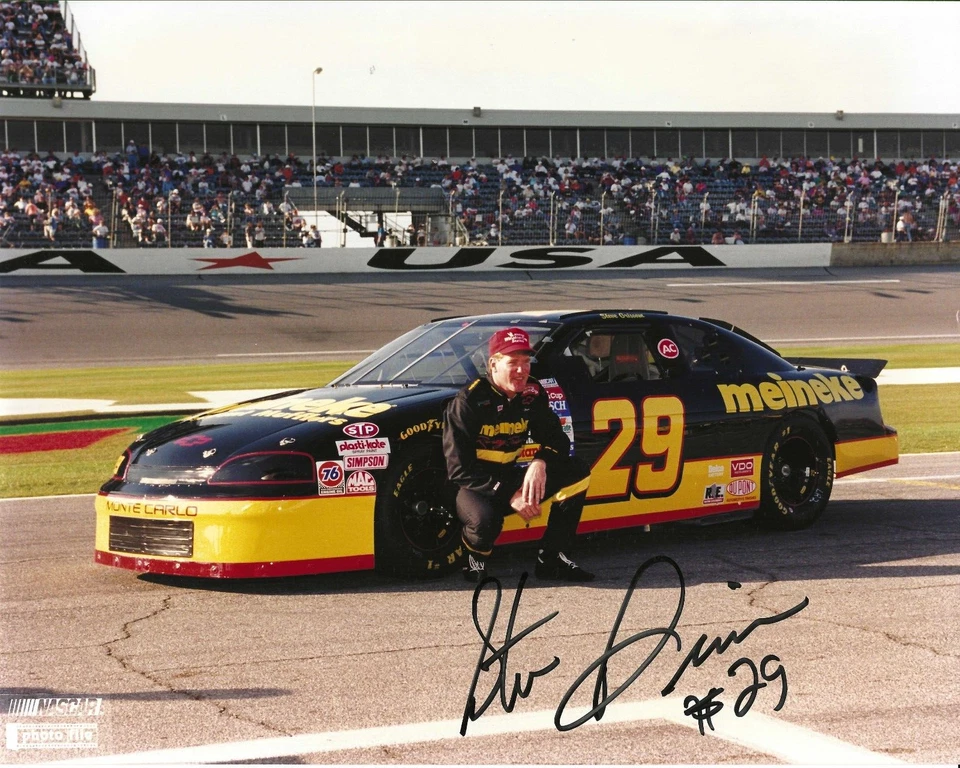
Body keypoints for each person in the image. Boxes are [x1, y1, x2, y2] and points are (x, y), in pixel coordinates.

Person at [443, 327, 595, 584]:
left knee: (576, 471)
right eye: (513, 362)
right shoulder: (470, 399)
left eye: (526, 362)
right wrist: (509, 494)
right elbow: (459, 469)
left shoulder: (531, 394)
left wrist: (540, 461)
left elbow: (557, 439)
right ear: (493, 364)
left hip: (509, 477)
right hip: (472, 486)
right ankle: (474, 561)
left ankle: (553, 559)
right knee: (485, 522)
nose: (522, 370)